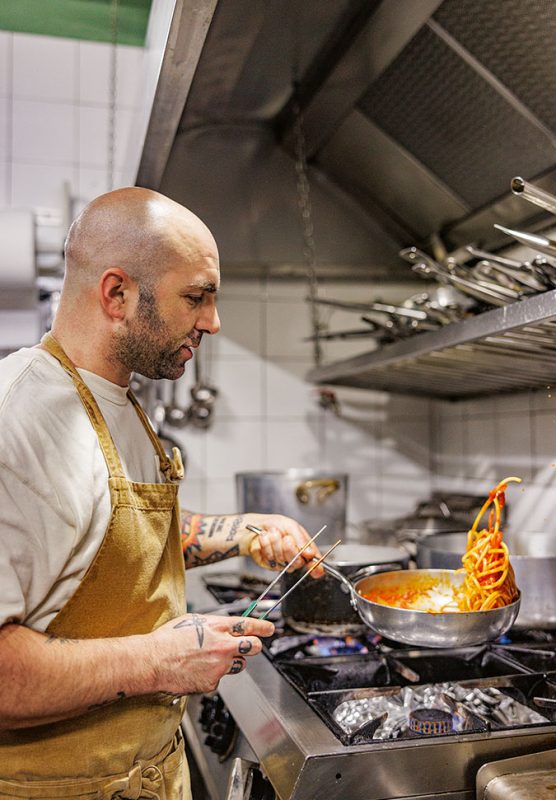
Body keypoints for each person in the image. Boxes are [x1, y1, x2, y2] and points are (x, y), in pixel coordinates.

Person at [0, 188, 323, 798]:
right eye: (196, 298)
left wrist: (245, 530)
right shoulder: (18, 420)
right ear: (116, 294)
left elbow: (106, 539)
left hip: (144, 776)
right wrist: (163, 661)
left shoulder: (118, 402)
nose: (213, 322)